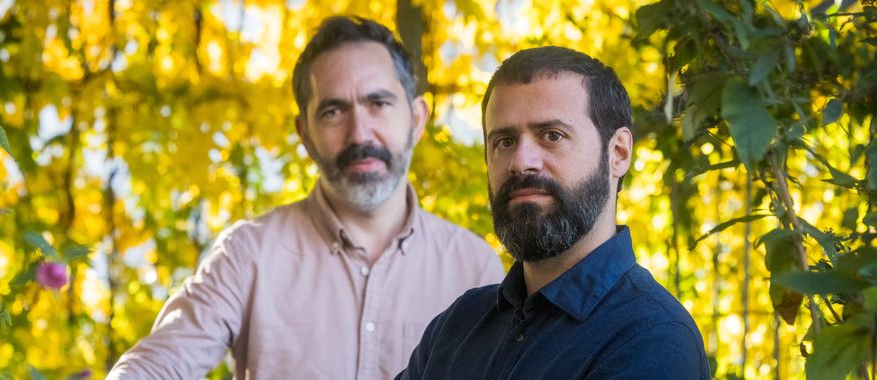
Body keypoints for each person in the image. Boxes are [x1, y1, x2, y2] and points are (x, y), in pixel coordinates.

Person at [106, 15, 505, 380]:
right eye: (333, 111)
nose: (359, 133)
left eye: (379, 104)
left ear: (417, 119)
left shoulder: (474, 269)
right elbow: (156, 365)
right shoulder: (248, 255)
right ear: (305, 134)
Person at [395, 46, 710, 379]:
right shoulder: (456, 326)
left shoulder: (653, 339)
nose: (521, 162)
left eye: (552, 136)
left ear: (618, 153)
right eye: (504, 141)